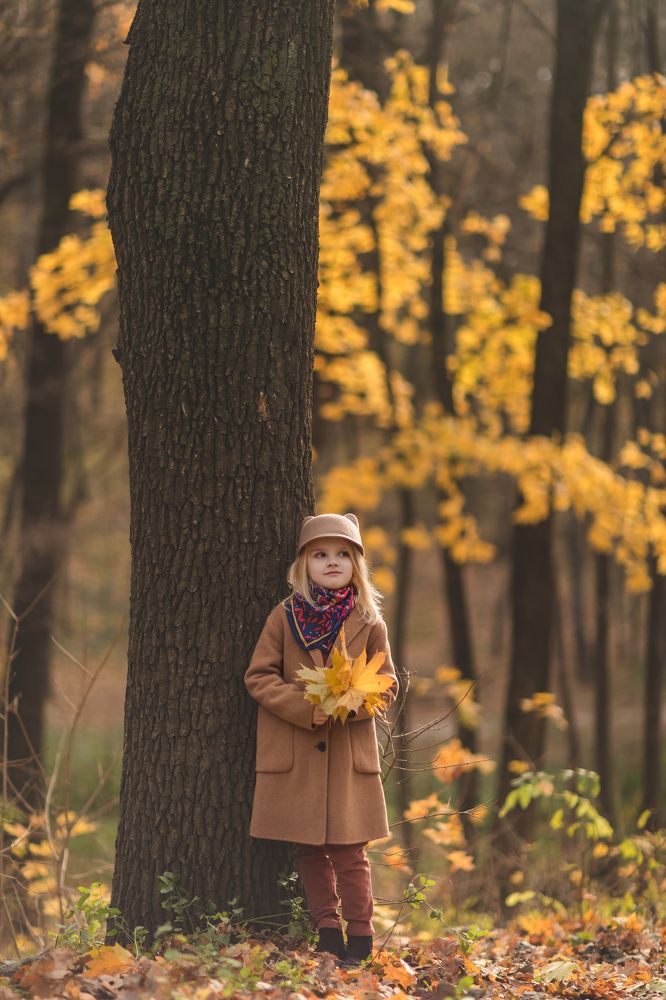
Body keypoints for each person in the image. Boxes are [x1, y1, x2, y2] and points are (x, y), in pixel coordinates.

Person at [243, 512, 399, 965]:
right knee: (309, 849)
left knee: (350, 853)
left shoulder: (369, 621)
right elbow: (258, 676)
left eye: (342, 554)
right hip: (298, 753)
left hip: (348, 757)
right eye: (320, 555)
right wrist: (305, 706)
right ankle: (327, 933)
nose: (332, 562)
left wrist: (354, 702)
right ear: (303, 565)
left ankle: (361, 936)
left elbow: (387, 684)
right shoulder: (284, 617)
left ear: (356, 565)